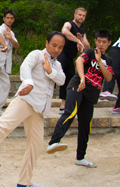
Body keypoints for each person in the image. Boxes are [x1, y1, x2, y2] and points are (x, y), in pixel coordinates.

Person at [0, 32, 66, 187]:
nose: (56, 49)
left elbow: (62, 80)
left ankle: (24, 181)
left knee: (35, 145)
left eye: (60, 47)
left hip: (39, 110)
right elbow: (25, 66)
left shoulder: (56, 65)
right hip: (25, 100)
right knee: (3, 126)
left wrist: (49, 70)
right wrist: (28, 82)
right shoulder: (37, 54)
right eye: (54, 45)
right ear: (47, 42)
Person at [46, 30, 114, 168]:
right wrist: (83, 78)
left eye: (104, 42)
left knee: (85, 125)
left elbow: (108, 77)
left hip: (91, 95)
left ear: (109, 43)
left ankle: (80, 157)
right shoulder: (89, 52)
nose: (101, 44)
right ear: (95, 41)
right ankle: (54, 141)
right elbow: (79, 61)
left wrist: (100, 61)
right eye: (99, 41)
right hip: (77, 87)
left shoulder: (108, 60)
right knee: (70, 112)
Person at [58, 7, 91, 114]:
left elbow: (87, 46)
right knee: (56, 76)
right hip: (62, 54)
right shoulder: (69, 24)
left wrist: (81, 41)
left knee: (69, 80)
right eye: (80, 15)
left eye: (83, 16)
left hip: (71, 58)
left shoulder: (82, 31)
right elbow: (64, 31)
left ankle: (63, 105)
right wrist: (77, 40)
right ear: (75, 15)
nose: (81, 17)